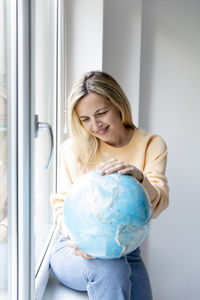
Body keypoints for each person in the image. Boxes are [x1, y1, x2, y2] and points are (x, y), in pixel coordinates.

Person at [50, 71, 169, 300]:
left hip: (126, 249)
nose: (95, 125)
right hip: (73, 246)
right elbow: (61, 204)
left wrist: (140, 178)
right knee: (110, 270)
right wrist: (77, 240)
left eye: (101, 113)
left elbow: (159, 204)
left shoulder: (151, 145)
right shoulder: (72, 149)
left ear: (118, 105)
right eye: (85, 119)